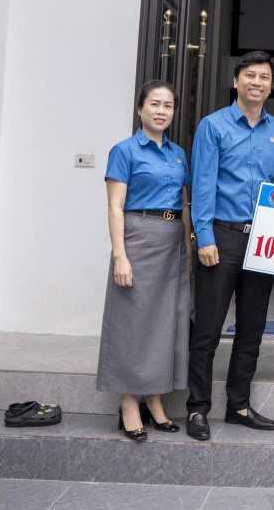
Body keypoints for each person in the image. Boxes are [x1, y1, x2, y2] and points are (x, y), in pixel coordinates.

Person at [186, 51, 274, 441]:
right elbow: (202, 184)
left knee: (252, 328)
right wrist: (204, 236)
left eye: (264, 77)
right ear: (236, 81)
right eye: (250, 75)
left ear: (271, 84)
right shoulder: (213, 126)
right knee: (208, 329)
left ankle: (239, 406)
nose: (256, 82)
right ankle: (198, 408)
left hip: (262, 238)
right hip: (222, 235)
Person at [96, 80, 190, 441]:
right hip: (138, 237)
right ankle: (128, 402)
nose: (161, 111)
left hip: (172, 242)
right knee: (132, 322)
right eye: (154, 104)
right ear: (140, 109)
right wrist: (120, 255)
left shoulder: (179, 154)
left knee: (165, 324)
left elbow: (183, 204)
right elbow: (114, 207)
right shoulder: (124, 151)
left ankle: (155, 398)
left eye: (168, 105)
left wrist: (188, 250)